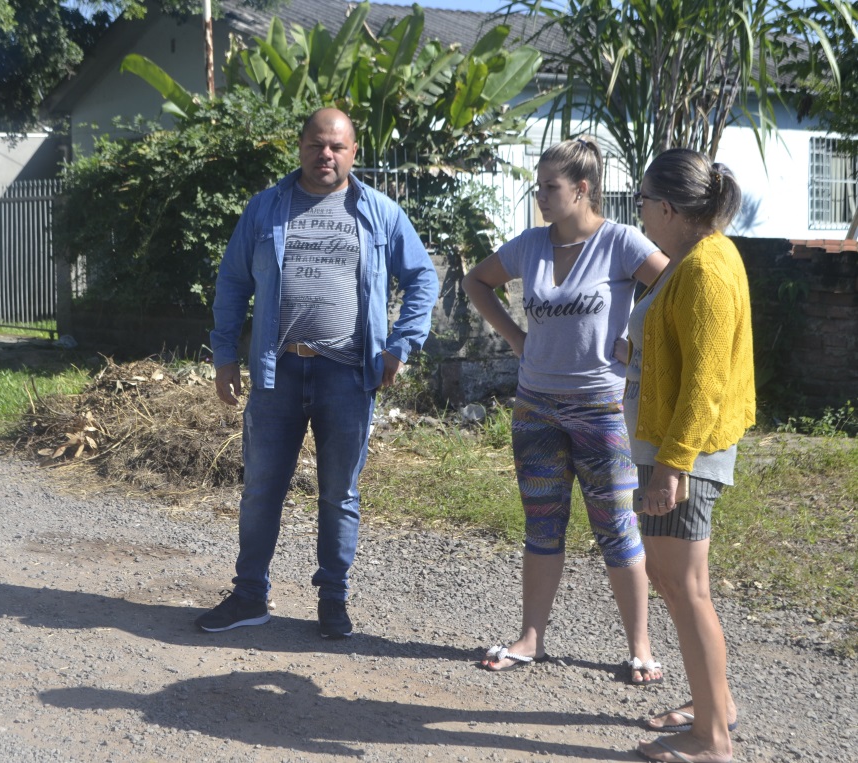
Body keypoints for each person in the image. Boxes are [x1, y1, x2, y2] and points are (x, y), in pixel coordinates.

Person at [196, 108, 439, 639]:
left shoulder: (380, 213)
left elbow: (422, 277)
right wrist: (224, 355)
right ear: (300, 147)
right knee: (262, 488)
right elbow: (233, 283)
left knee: (339, 494)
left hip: (348, 376)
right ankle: (249, 596)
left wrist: (402, 344)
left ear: (353, 152)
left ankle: (333, 600)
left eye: (336, 147)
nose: (325, 155)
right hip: (276, 371)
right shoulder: (265, 209)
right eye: (315, 145)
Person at [462, 137, 669, 680]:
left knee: (617, 527)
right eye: (538, 186)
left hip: (600, 409)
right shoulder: (528, 245)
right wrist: (515, 339)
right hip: (535, 410)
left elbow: (678, 288)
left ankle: (640, 647)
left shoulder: (620, 243)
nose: (541, 197)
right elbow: (476, 282)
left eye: (550, 187)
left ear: (582, 189)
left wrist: (639, 343)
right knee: (542, 523)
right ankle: (531, 638)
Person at [625, 149, 754, 763]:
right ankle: (715, 709)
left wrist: (672, 467)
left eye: (643, 200)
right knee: (680, 582)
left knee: (683, 584)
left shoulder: (704, 268)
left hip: (683, 454)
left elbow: (704, 383)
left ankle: (711, 740)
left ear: (669, 207)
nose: (641, 211)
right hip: (676, 446)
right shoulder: (698, 258)